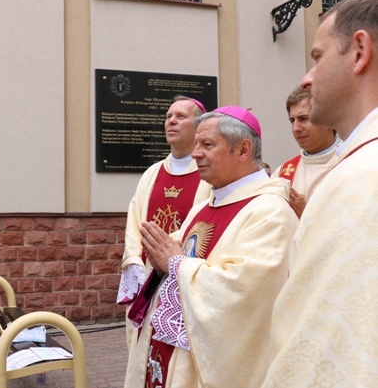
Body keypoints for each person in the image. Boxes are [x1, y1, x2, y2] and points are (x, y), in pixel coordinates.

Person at [124, 106, 298, 388]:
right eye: (196, 145)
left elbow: (246, 292)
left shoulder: (270, 212)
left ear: (243, 150)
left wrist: (176, 264)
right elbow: (172, 258)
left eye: (207, 145)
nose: (195, 154)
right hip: (171, 357)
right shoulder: (204, 207)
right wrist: (159, 262)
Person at [262, 0, 378, 387]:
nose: (307, 78)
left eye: (317, 57)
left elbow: (320, 352)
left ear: (360, 51)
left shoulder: (360, 180)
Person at [117, 96, 211, 349]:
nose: (171, 121)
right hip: (148, 274)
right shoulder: (152, 172)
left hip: (183, 271)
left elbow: (205, 222)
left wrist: (169, 254)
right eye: (168, 116)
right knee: (144, 348)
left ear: (198, 126)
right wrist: (134, 261)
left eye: (181, 116)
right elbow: (134, 218)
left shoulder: (209, 173)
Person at [271, 86, 339, 217]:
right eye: (292, 120)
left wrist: (307, 215)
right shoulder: (282, 173)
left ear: (329, 121)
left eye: (303, 119)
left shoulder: (349, 164)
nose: (296, 128)